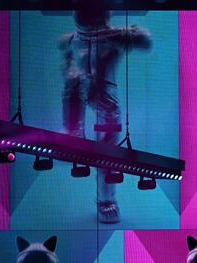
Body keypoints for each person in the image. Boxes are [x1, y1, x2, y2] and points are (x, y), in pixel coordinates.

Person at [60, 6, 152, 224]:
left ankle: (106, 199)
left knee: (107, 150)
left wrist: (125, 34)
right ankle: (74, 132)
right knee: (72, 80)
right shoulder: (73, 39)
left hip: (106, 100)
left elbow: (146, 41)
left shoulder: (115, 37)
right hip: (82, 91)